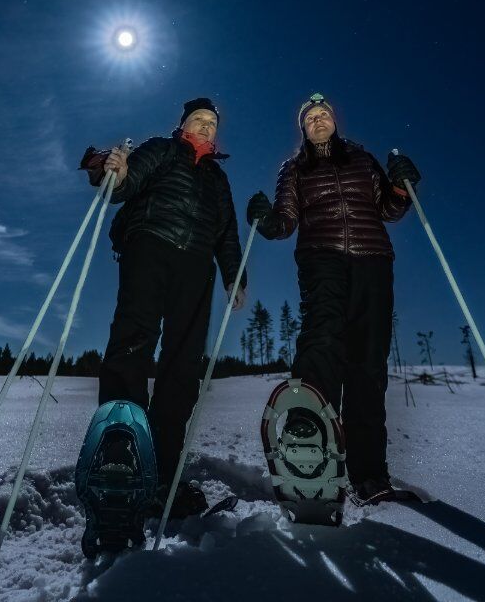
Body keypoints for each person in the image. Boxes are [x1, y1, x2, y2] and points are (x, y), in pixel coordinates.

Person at [246, 92, 421, 503]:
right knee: (322, 340)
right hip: (321, 257)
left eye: (324, 115)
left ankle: (369, 477)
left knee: (368, 363)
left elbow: (388, 209)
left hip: (373, 260)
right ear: (303, 129)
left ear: (335, 121)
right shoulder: (294, 168)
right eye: (311, 118)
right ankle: (311, 451)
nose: (319, 121)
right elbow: (286, 220)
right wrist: (268, 222)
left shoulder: (361, 159)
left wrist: (399, 188)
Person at [90, 97, 247, 516]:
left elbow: (227, 232)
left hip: (196, 265)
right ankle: (120, 459)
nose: (207, 127)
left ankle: (162, 473)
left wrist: (234, 274)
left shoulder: (217, 178)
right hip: (150, 244)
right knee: (133, 343)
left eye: (213, 123)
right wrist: (116, 174)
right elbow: (127, 183)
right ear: (183, 125)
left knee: (183, 364)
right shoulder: (161, 149)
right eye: (200, 120)